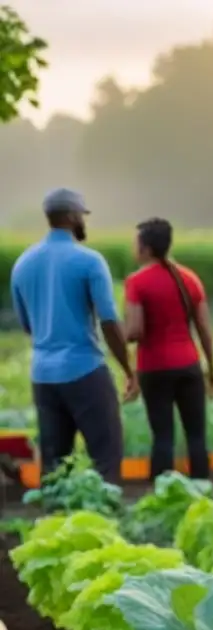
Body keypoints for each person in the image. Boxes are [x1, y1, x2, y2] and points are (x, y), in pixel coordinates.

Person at [10, 188, 137, 482]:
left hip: (43, 377)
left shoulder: (23, 263)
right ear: (71, 216)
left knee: (55, 467)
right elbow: (108, 320)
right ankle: (104, 522)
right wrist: (129, 369)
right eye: (82, 215)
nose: (84, 221)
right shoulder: (89, 261)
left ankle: (54, 524)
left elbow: (28, 325)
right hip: (85, 371)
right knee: (106, 456)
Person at [124, 218, 213, 479]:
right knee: (196, 436)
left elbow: (134, 331)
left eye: (136, 242)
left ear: (146, 248)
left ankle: (162, 496)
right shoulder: (189, 279)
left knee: (163, 437)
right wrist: (211, 369)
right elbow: (205, 331)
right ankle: (203, 493)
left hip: (154, 369)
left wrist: (114, 333)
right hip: (189, 365)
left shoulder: (137, 282)